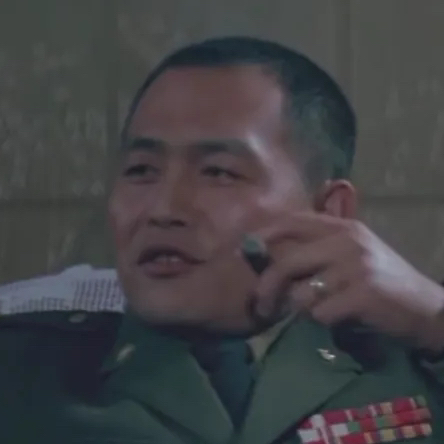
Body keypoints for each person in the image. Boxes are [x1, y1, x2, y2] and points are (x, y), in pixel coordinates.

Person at [1, 36, 444, 444]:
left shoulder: (410, 358)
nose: (162, 209)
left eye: (218, 173)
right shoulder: (26, 371)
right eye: (141, 171)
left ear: (328, 212)